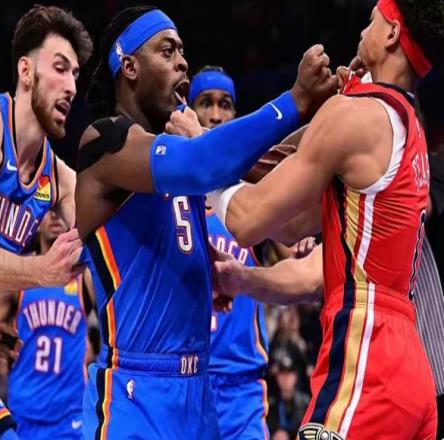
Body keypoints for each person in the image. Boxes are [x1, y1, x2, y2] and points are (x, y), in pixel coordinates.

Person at [76, 5, 336, 439]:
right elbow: (201, 162)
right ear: (130, 67)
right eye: (167, 50)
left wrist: (336, 110)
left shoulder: (179, 155)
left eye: (183, 51)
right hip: (137, 391)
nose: (182, 62)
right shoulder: (104, 142)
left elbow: (271, 161)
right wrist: (294, 101)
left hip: (201, 391)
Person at [204, 0, 444, 437]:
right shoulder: (410, 131)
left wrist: (199, 160)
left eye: (371, 20)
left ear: (391, 34)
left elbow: (246, 219)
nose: (361, 32)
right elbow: (291, 227)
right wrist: (242, 280)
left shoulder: (356, 117)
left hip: (366, 351)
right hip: (412, 366)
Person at [0, 5, 92, 439]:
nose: (71, 86)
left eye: (76, 75)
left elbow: (112, 245)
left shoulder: (58, 178)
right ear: (26, 71)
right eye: (60, 69)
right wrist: (43, 270)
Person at [189, 66, 270, 439]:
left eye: (225, 105)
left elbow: (295, 249)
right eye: (205, 103)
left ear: (235, 115)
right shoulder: (171, 198)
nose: (216, 114)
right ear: (189, 112)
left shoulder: (253, 197)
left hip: (241, 389)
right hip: (185, 382)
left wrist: (302, 242)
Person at [0, 210, 93, 440]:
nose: (55, 217)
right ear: (36, 220)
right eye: (49, 210)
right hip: (24, 410)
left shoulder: (84, 276)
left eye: (59, 210)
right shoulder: (18, 273)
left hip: (70, 415)